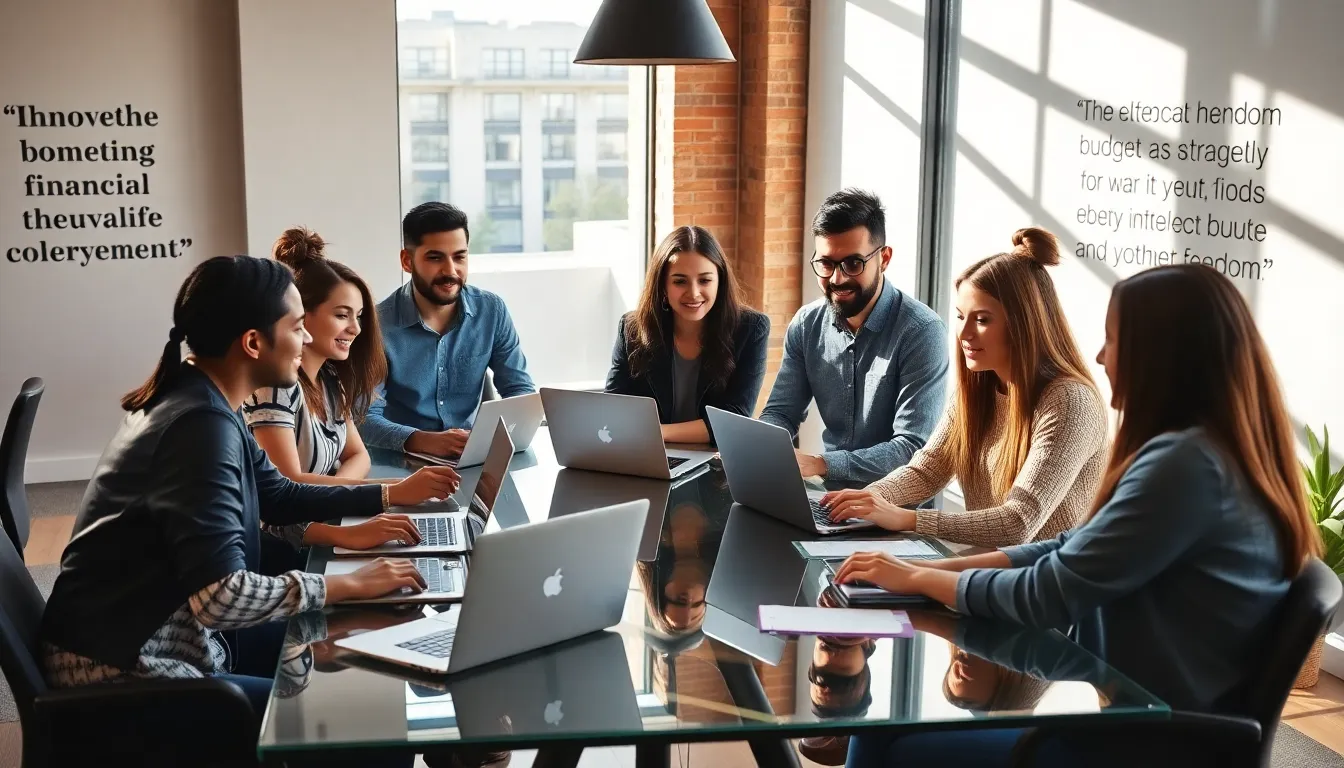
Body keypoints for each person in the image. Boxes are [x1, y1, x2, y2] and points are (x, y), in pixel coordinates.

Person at [835, 264, 1323, 767]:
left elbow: (1048, 591)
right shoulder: (1205, 455)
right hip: (1130, 717)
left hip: (1139, 744)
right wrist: (925, 574)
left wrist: (921, 577)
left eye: (1114, 340)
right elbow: (1066, 548)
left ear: (1162, 356)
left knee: (881, 736)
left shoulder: (1186, 467)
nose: (1100, 356)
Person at [40, 256, 453, 740]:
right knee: (362, 726)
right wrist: (347, 585)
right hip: (122, 670)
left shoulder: (203, 399)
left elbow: (276, 493)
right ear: (254, 343)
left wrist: (385, 497)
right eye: (297, 327)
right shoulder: (199, 427)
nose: (304, 340)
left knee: (354, 656)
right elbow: (221, 598)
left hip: (147, 637)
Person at [820, 228, 1108, 547]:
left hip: (1048, 586)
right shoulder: (980, 388)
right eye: (960, 316)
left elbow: (1019, 522)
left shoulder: (1069, 401)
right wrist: (868, 499)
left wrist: (910, 519)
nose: (964, 334)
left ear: (1024, 324)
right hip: (992, 573)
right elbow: (928, 470)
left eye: (982, 320)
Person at [244, 228, 459, 553]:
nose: (356, 329)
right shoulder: (274, 387)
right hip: (284, 553)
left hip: (323, 529)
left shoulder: (331, 378)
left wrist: (338, 500)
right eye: (342, 315)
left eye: (358, 316)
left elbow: (358, 455)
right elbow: (285, 494)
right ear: (302, 315)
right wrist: (393, 490)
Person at [759, 188, 948, 486]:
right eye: (826, 264)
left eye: (853, 263)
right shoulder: (807, 324)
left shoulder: (922, 332)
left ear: (884, 258)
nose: (837, 278)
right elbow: (782, 412)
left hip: (894, 513)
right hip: (828, 497)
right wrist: (757, 448)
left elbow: (912, 448)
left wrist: (821, 464)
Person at [363, 202, 536, 457]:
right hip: (399, 463)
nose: (450, 271)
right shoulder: (376, 326)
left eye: (459, 257)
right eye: (435, 258)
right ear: (407, 261)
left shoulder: (491, 311)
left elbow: (519, 391)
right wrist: (424, 441)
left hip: (471, 457)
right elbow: (363, 419)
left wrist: (504, 436)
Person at [605, 225, 770, 444]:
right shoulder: (632, 329)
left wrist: (657, 433)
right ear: (662, 285)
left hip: (715, 462)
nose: (693, 293)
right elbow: (612, 406)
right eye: (680, 281)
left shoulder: (751, 329)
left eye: (704, 280)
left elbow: (735, 418)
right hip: (645, 455)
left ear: (720, 281)